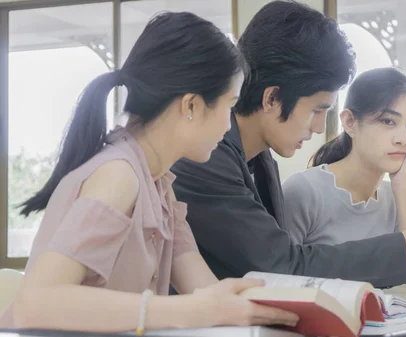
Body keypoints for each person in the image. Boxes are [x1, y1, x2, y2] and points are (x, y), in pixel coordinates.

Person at [0, 12, 298, 332]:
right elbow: (35, 304)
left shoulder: (160, 185)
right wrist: (189, 310)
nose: (229, 125)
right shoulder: (118, 175)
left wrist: (260, 302)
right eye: (229, 106)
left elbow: (203, 290)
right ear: (192, 106)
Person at [171, 1, 406, 288]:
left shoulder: (262, 160)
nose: (318, 128)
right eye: (317, 110)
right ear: (272, 98)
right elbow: (283, 267)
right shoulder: (204, 160)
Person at [281, 67, 406, 280]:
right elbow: (279, 275)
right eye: (388, 121)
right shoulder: (303, 191)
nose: (403, 139)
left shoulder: (395, 198)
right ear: (350, 122)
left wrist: (403, 187)